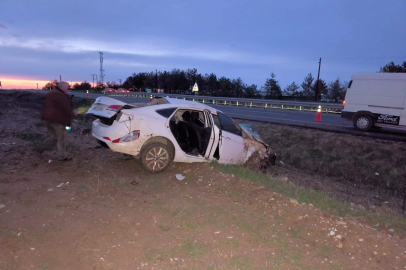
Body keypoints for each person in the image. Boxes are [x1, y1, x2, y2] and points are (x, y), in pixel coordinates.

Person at [37, 81, 77, 161]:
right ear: (63, 87)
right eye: (67, 87)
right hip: (58, 120)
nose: (68, 89)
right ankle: (62, 156)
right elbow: (66, 108)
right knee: (61, 138)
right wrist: (73, 112)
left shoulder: (51, 93)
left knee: (54, 137)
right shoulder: (61, 96)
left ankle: (40, 148)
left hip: (48, 119)